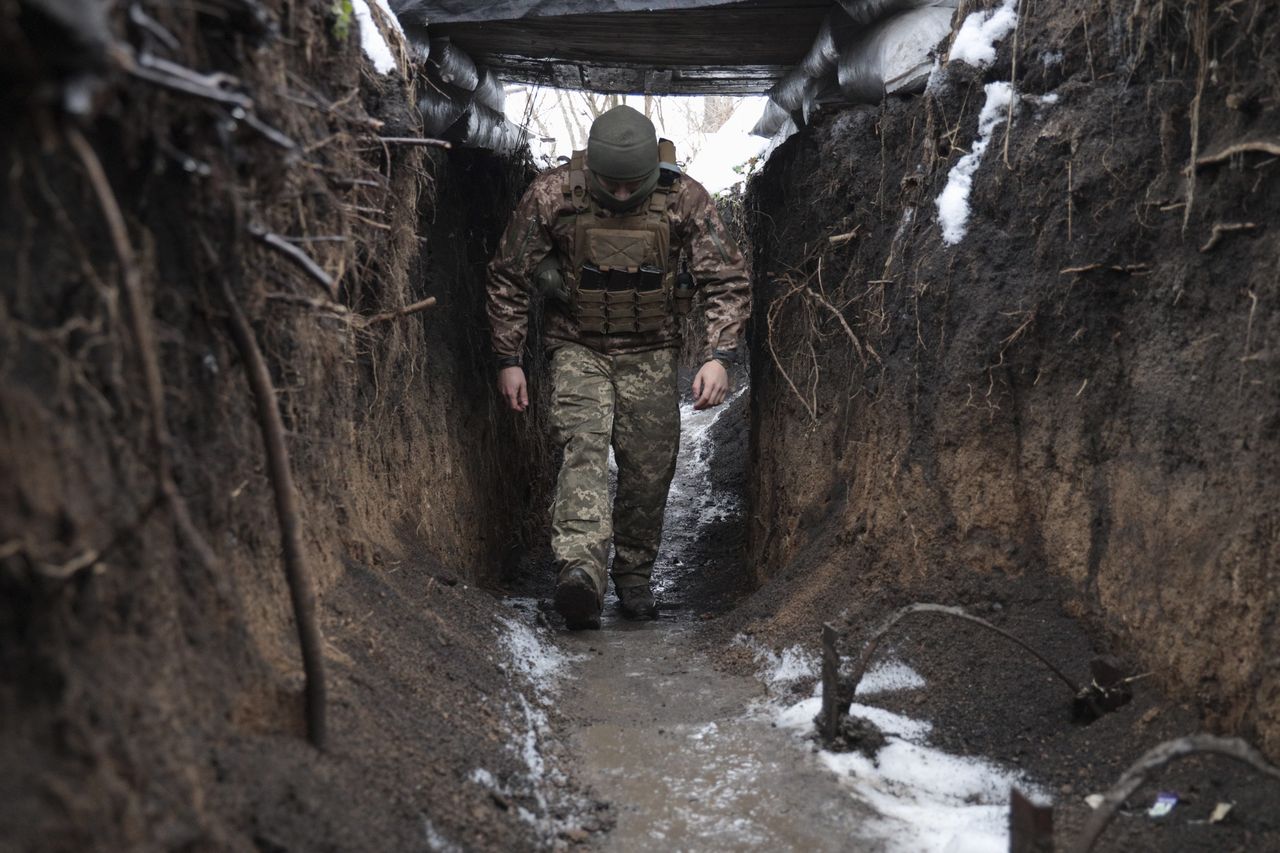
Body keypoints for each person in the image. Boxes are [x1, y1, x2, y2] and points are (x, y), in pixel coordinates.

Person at [486, 104, 751, 629]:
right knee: (582, 448)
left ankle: (634, 578)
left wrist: (718, 356)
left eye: (634, 186)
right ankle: (580, 575)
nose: (624, 196)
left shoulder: (684, 198)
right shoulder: (554, 194)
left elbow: (726, 279)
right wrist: (508, 358)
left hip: (652, 352)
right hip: (576, 347)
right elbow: (508, 277)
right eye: (613, 185)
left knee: (648, 471)